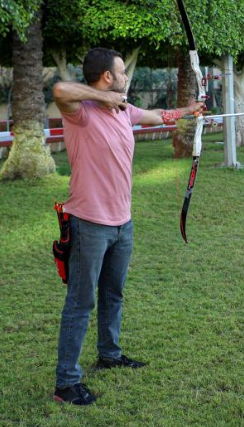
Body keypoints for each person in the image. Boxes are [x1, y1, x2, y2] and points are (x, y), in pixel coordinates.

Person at [51, 47, 206, 405]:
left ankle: (109, 353)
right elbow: (60, 90)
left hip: (122, 223)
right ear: (107, 77)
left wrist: (188, 111)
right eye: (121, 72)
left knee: (113, 294)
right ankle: (66, 383)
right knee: (80, 301)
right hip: (89, 223)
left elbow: (155, 116)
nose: (125, 78)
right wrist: (103, 97)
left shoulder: (124, 111)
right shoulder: (81, 113)